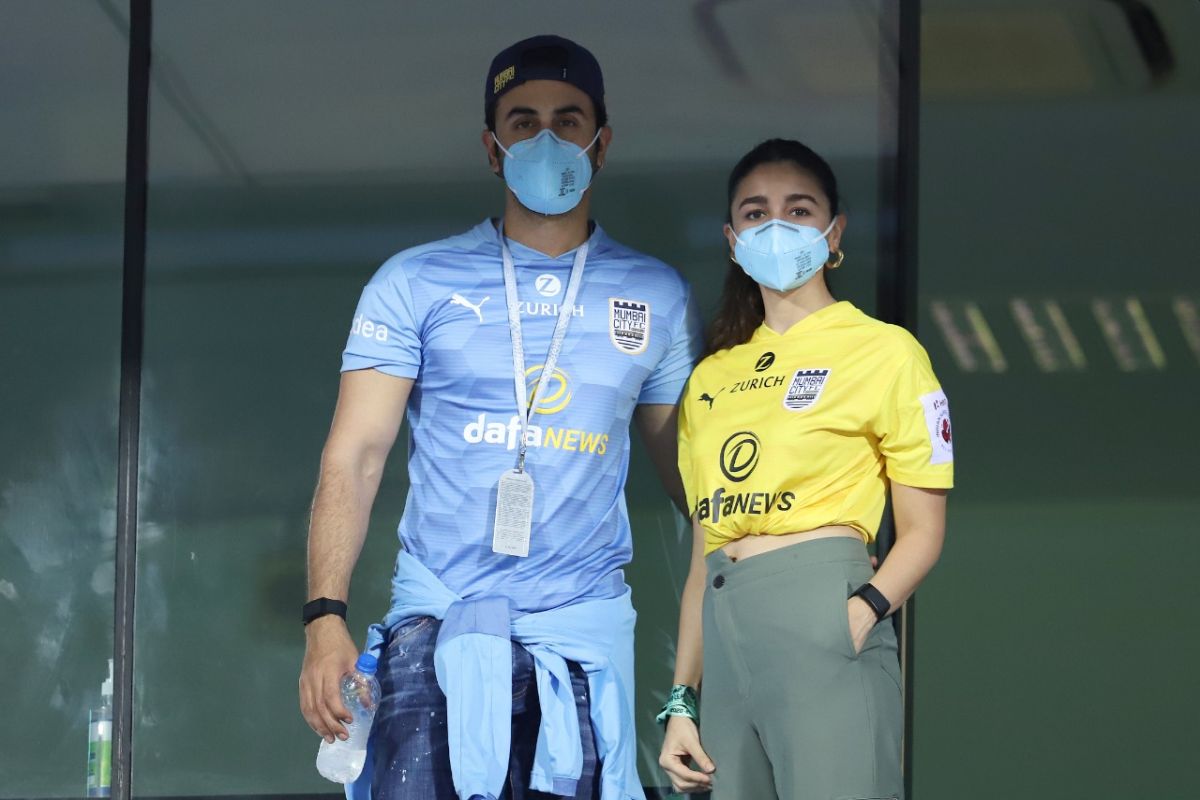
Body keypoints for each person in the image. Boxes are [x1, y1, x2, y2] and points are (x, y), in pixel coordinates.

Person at [298, 35, 701, 800]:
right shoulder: (414, 280)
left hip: (580, 638)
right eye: (523, 122)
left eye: (568, 119)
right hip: (437, 627)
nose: (545, 138)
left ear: (602, 142)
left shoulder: (657, 293)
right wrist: (324, 618)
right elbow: (354, 457)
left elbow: (696, 484)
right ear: (492, 148)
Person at [657, 138, 953, 799]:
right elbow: (706, 551)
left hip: (825, 612)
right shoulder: (711, 377)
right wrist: (683, 701)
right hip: (728, 629)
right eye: (757, 213)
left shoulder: (885, 351)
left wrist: (862, 611)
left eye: (799, 208)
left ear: (834, 229)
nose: (778, 225)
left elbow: (924, 530)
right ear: (733, 240)